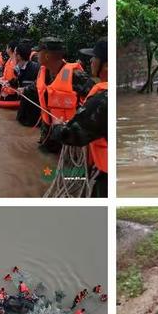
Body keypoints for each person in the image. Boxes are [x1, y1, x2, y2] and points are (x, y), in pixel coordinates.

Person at [49, 38, 108, 197]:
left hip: (104, 175)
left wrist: (57, 126)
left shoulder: (100, 100)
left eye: (94, 57)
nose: (91, 61)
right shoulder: (103, 97)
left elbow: (70, 135)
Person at [26, 37, 94, 153]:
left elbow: (95, 101)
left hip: (69, 135)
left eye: (39, 52)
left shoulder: (75, 75)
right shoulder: (43, 72)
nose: (36, 54)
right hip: (48, 131)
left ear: (47, 55)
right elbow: (34, 88)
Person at [14, 41, 41, 125]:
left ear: (18, 56)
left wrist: (25, 89)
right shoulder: (18, 68)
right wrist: (10, 83)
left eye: (15, 53)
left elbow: (39, 87)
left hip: (33, 109)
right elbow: (18, 83)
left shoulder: (36, 68)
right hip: (24, 106)